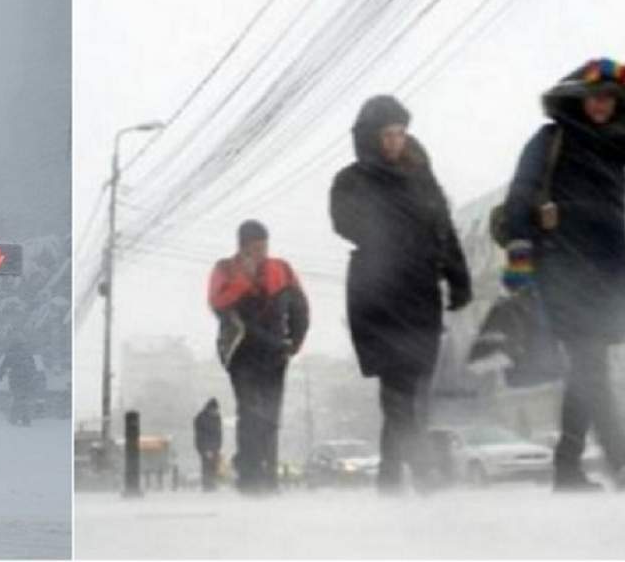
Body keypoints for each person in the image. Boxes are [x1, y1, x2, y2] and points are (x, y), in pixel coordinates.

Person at [501, 59, 625, 492]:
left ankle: (567, 469)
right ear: (577, 99)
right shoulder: (552, 138)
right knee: (591, 362)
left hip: (608, 271)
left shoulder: (615, 144)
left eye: (611, 99)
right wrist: (520, 256)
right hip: (563, 266)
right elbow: (521, 192)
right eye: (594, 97)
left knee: (586, 368)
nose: (602, 106)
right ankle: (620, 455)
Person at [329, 95, 472, 494]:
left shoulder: (423, 180)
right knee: (396, 386)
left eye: (400, 133)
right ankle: (423, 469)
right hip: (376, 293)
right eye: (387, 134)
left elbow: (444, 229)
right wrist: (394, 231)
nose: (394, 141)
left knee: (416, 388)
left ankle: (390, 479)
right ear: (371, 137)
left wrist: (458, 277)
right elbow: (344, 222)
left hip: (420, 293)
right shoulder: (350, 181)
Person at [207, 220, 310, 494]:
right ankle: (250, 475)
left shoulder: (282, 270)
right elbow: (218, 304)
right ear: (242, 246)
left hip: (276, 353)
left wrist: (294, 343)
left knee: (271, 416)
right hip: (241, 353)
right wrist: (243, 279)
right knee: (251, 411)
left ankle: (267, 476)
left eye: (264, 246)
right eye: (255, 247)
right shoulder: (225, 269)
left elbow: (300, 307)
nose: (261, 252)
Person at [0, 341, 37, 426]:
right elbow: (33, 367)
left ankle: (14, 418)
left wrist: (0, 375)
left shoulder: (11, 355)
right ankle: (25, 419)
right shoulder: (27, 354)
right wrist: (32, 378)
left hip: (15, 380)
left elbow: (4, 366)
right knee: (24, 399)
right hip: (27, 381)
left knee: (17, 399)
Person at [193, 398, 223, 492]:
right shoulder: (201, 418)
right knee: (206, 467)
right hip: (205, 447)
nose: (216, 411)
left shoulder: (217, 417)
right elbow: (201, 436)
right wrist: (205, 449)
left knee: (213, 467)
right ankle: (207, 486)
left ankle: (212, 485)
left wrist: (218, 447)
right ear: (210, 408)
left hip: (215, 447)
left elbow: (219, 433)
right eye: (214, 409)